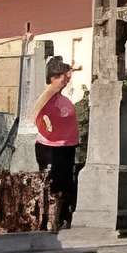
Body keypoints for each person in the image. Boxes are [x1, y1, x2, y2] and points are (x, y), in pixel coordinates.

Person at [33, 56, 80, 229]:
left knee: (66, 182)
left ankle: (62, 217)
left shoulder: (63, 100)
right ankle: (47, 218)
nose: (65, 81)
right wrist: (48, 127)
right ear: (52, 78)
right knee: (50, 182)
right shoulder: (45, 97)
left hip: (67, 145)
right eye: (61, 78)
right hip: (49, 146)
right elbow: (37, 116)